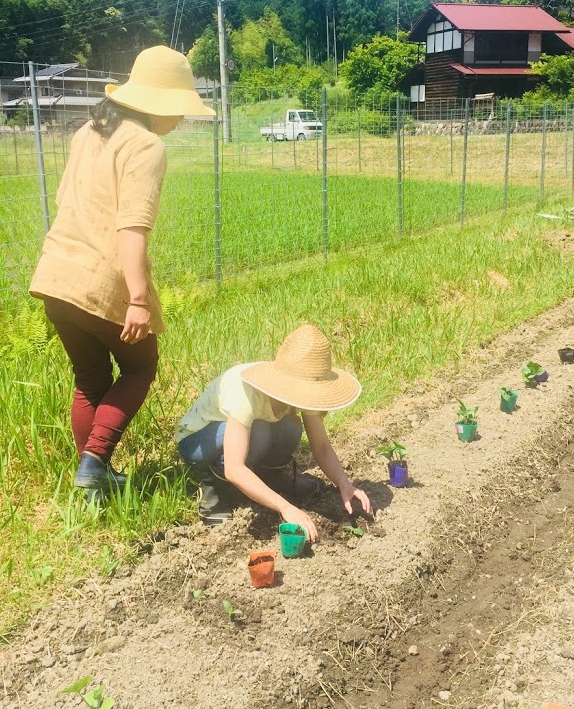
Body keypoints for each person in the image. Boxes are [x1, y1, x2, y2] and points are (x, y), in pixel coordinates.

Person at [29, 46, 214, 498]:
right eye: (179, 108)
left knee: (90, 379)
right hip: (101, 280)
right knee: (139, 367)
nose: (182, 118)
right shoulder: (147, 145)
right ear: (160, 103)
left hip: (55, 276)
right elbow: (131, 226)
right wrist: (136, 300)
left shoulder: (88, 132)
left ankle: (90, 483)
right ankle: (94, 464)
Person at [176, 324, 372, 541]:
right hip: (196, 442)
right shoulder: (245, 392)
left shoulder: (303, 385)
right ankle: (214, 485)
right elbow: (234, 468)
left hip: (239, 435)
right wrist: (285, 508)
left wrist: (344, 484)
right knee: (259, 432)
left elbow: (321, 446)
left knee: (290, 426)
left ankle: (270, 476)